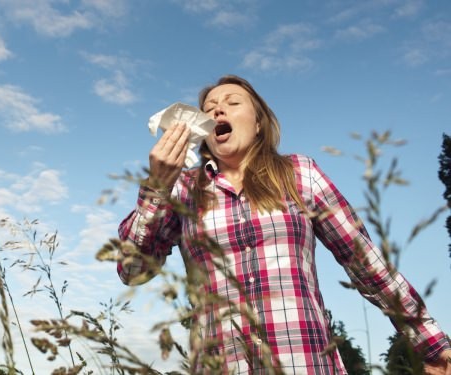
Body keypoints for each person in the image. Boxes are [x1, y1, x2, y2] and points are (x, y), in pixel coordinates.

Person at [117, 75, 451, 374]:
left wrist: (430, 343)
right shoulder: (183, 190)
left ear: (259, 123)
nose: (218, 111)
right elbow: (132, 270)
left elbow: (364, 262)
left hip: (304, 363)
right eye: (209, 108)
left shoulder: (299, 174)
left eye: (233, 103)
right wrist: (157, 186)